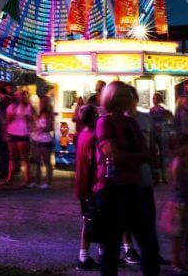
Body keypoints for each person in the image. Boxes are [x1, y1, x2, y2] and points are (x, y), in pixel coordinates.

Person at [93, 81, 160, 276]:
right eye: (122, 95)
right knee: (111, 248)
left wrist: (131, 158)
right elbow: (114, 155)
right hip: (112, 190)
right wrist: (137, 158)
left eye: (128, 96)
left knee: (149, 244)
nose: (127, 99)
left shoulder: (131, 122)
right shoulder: (104, 122)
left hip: (134, 187)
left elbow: (147, 154)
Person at [160, 133, 188, 276]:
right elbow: (178, 184)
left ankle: (184, 261)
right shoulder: (178, 162)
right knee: (178, 235)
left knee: (187, 233)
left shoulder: (186, 161)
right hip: (179, 203)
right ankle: (176, 262)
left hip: (187, 202)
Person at [75, 104, 101, 271]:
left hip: (83, 184)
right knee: (93, 220)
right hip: (93, 184)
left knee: (89, 219)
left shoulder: (82, 135)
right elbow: (94, 161)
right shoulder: (93, 136)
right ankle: (83, 257)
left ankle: (94, 254)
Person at [5, 89, 34, 186]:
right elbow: (8, 120)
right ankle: (9, 179)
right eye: (16, 96)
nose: (18, 97)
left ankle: (27, 179)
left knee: (24, 157)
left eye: (20, 96)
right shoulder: (11, 107)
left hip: (23, 133)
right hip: (12, 132)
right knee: (12, 157)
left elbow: (30, 119)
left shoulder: (27, 107)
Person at [31, 94, 56, 188]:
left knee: (47, 162)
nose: (41, 104)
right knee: (37, 161)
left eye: (44, 102)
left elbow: (51, 127)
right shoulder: (39, 113)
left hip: (45, 140)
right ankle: (37, 181)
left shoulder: (49, 114)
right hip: (37, 139)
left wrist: (42, 128)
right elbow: (34, 124)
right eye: (41, 102)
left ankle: (48, 183)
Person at [149, 92, 173, 183]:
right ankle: (158, 175)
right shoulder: (152, 110)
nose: (154, 100)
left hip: (161, 133)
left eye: (155, 98)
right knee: (156, 154)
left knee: (162, 155)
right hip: (155, 133)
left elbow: (168, 119)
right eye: (153, 98)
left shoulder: (161, 109)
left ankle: (163, 175)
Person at [0, 82, 14, 178]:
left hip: (4, 129)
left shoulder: (4, 100)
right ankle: (3, 169)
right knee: (4, 150)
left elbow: (3, 116)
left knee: (2, 150)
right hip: (7, 128)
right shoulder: (8, 99)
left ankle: (3, 170)